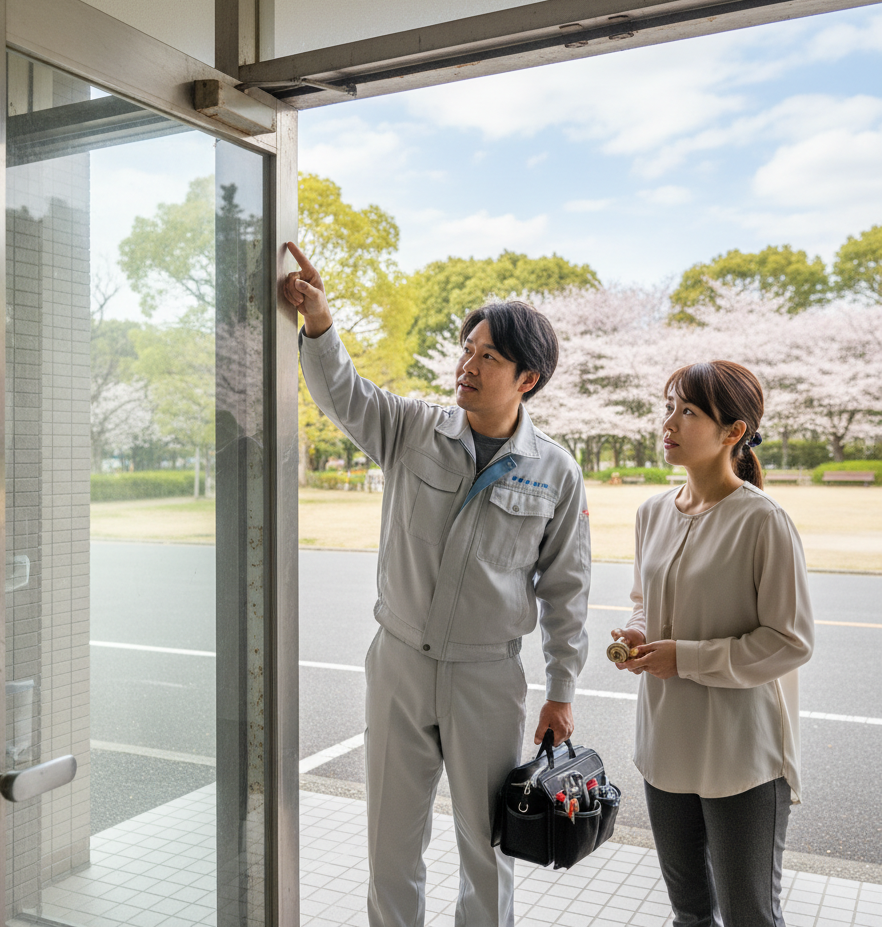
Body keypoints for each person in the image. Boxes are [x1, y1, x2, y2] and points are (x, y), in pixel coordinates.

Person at [283, 240, 591, 927]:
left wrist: (562, 690)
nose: (468, 366)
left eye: (489, 357)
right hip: (398, 662)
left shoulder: (554, 471)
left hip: (488, 677)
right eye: (467, 350)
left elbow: (566, 590)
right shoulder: (413, 428)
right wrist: (321, 322)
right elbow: (342, 394)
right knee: (391, 846)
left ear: (528, 379)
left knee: (487, 850)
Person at [611, 360, 814, 927]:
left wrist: (688, 658)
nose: (669, 422)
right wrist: (640, 631)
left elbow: (790, 641)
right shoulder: (652, 513)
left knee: (750, 916)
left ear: (734, 432)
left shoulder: (763, 521)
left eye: (689, 411)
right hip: (664, 748)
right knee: (690, 914)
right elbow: (644, 599)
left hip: (740, 756)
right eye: (669, 407)